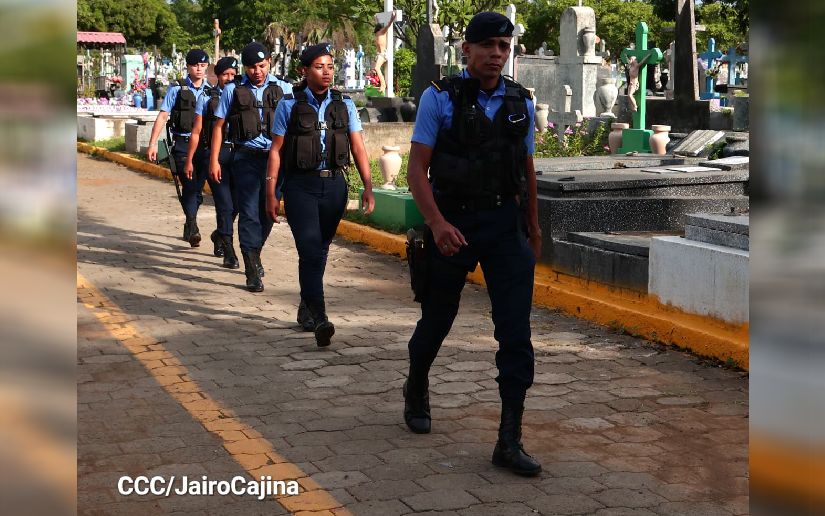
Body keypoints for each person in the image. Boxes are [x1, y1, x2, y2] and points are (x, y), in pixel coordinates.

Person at [402, 12, 542, 477]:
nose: (496, 54)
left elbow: (527, 171)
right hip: (453, 224)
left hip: (504, 227)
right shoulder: (439, 98)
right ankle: (417, 382)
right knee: (437, 320)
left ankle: (509, 439)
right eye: (488, 46)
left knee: (516, 336)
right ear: (467, 50)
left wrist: (534, 231)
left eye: (504, 46)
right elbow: (416, 169)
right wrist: (437, 224)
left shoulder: (521, 102)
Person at [265, 43, 375, 347]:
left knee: (321, 249)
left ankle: (307, 304)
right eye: (319, 67)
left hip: (334, 186)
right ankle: (321, 317)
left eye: (329, 66)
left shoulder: (345, 104)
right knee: (311, 249)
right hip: (301, 187)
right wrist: (270, 192)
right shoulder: (289, 104)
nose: (326, 72)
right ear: (304, 70)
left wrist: (368, 185)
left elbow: (358, 147)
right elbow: (275, 151)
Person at [210, 42, 293, 292]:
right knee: (248, 212)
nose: (257, 71)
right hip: (245, 158)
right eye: (251, 67)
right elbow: (218, 126)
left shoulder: (284, 88)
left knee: (269, 212)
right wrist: (214, 159)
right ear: (244, 68)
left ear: (269, 62)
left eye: (261, 65)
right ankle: (251, 267)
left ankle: (254, 252)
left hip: (276, 159)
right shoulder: (232, 90)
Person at [147, 49, 212, 247]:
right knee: (190, 187)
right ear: (188, 66)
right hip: (183, 145)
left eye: (202, 65)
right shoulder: (177, 88)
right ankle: (193, 226)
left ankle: (189, 222)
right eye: (195, 65)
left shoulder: (212, 90)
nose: (199, 69)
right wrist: (152, 144)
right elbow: (163, 115)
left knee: (197, 191)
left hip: (205, 146)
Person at [183, 56, 239, 269]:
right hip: (214, 156)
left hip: (239, 156)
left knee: (237, 204)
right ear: (218, 75)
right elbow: (196, 132)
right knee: (224, 204)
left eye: (233, 74)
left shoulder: (242, 96)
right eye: (226, 74)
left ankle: (219, 235)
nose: (230, 78)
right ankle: (229, 250)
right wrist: (189, 159)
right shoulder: (207, 97)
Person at [373, 10, 397, 95]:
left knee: (377, 68)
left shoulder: (382, 32)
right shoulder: (377, 34)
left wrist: (392, 18)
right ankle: (381, 84)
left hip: (383, 54)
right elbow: (377, 23)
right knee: (374, 70)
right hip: (379, 55)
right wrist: (376, 18)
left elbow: (389, 25)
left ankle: (383, 85)